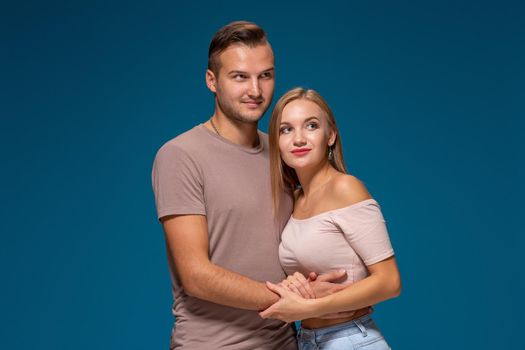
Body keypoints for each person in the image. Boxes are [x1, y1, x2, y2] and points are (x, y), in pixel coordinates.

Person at [152, 22, 349, 350]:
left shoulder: (284, 151)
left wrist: (341, 291)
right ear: (212, 81)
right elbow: (196, 275)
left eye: (266, 75)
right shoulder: (180, 155)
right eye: (240, 76)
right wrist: (300, 298)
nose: (255, 90)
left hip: (288, 342)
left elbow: (311, 233)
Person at [260, 87, 402, 349]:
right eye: (286, 129)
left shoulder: (346, 188)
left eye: (311, 126)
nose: (298, 139)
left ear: (331, 135)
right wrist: (296, 286)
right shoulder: (295, 200)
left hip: (351, 339)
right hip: (308, 340)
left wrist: (309, 306)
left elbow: (390, 281)